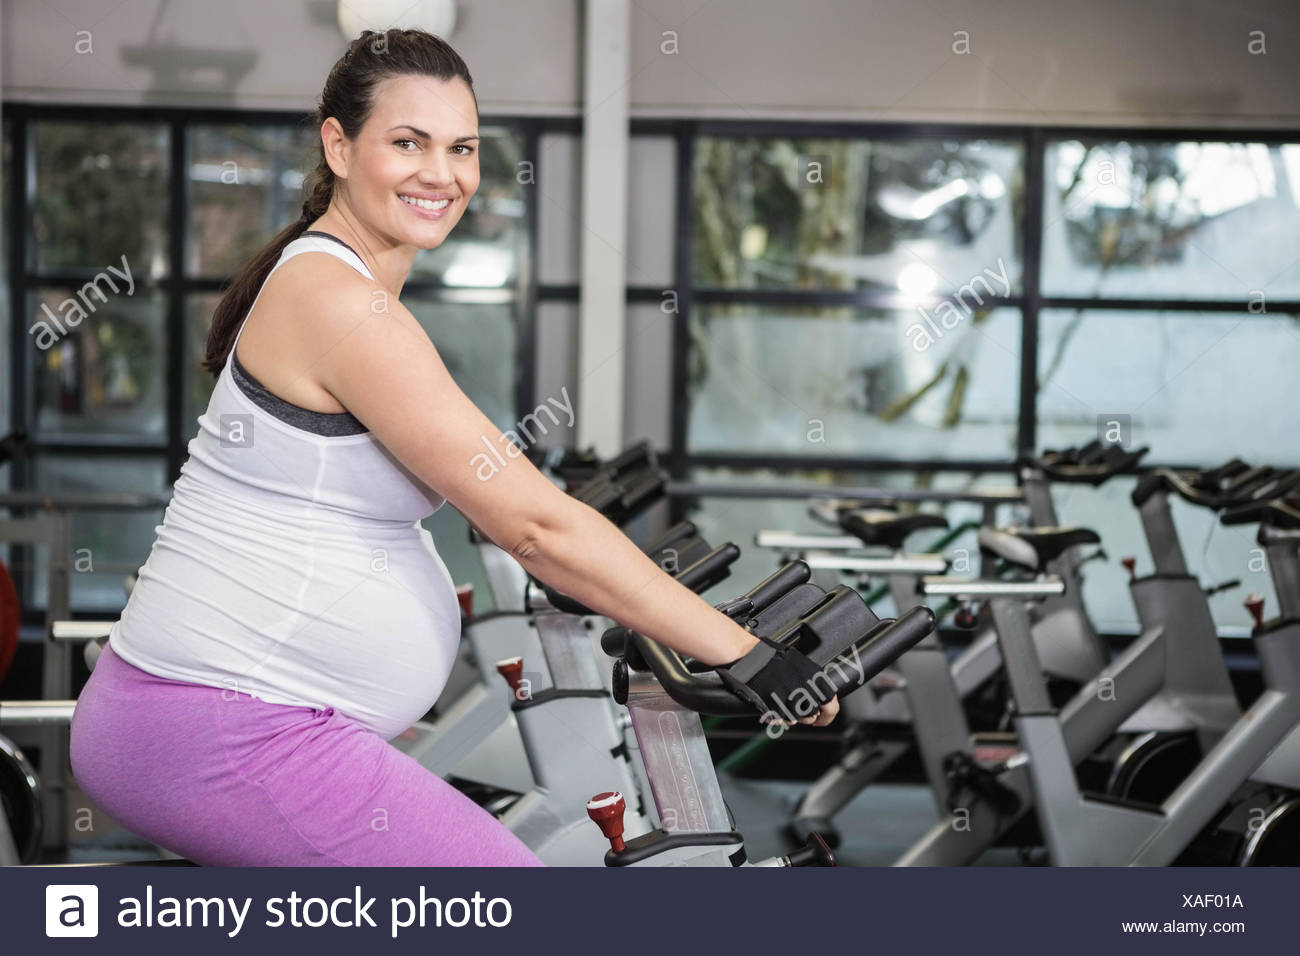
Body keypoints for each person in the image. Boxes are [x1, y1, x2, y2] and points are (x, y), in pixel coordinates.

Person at [69, 28, 837, 867]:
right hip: (225, 727)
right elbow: (536, 528)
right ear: (339, 144)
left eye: (462, 148)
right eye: (409, 142)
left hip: (235, 716)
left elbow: (521, 508)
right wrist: (743, 652)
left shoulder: (344, 290)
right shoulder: (335, 300)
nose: (443, 174)